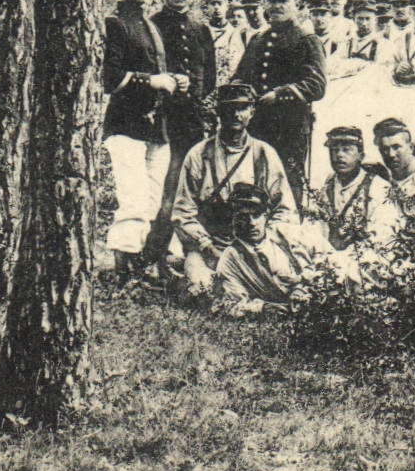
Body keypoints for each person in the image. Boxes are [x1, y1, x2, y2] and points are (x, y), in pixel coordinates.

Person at [169, 84, 294, 294]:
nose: (236, 115)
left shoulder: (263, 154)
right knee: (203, 288)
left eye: (243, 108)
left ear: (252, 112)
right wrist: (206, 245)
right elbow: (182, 213)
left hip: (255, 247)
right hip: (211, 246)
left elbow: (285, 210)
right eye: (229, 108)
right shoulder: (199, 154)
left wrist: (264, 241)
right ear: (218, 112)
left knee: (282, 285)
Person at [103, 0, 182, 280]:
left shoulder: (150, 24)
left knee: (151, 201)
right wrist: (153, 81)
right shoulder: (114, 24)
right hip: (126, 125)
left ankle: (139, 264)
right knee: (132, 199)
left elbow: (156, 71)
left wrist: (174, 81)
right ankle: (123, 268)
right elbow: (110, 78)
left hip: (155, 127)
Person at [231, 0, 326, 205]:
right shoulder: (258, 39)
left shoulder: (306, 39)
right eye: (272, 0)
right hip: (258, 126)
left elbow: (317, 85)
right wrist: (243, 93)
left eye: (283, 0)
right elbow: (239, 78)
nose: (276, 6)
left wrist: (280, 94)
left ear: (296, 3)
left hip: (290, 128)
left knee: (288, 185)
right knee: (255, 182)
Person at [147, 0, 217, 271]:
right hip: (162, 123)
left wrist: (194, 94)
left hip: (192, 124)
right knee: (165, 192)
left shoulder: (201, 30)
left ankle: (190, 256)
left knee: (193, 192)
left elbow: (210, 78)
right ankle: (153, 257)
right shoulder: (152, 26)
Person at [213, 183, 348, 317]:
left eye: (256, 215)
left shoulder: (285, 232)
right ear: (233, 220)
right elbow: (228, 304)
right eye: (243, 217)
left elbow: (327, 253)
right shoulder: (231, 258)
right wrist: (262, 308)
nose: (252, 223)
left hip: (321, 289)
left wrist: (305, 284)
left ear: (265, 215)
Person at [303, 126, 398, 276]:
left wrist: (342, 261)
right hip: (328, 264)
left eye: (346, 149)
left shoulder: (379, 188)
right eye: (334, 150)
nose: (339, 155)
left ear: (361, 155)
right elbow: (312, 233)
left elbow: (383, 238)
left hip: (363, 266)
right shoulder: (325, 191)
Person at [207, 0, 247, 83]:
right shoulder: (201, 32)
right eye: (213, 4)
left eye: (220, 3)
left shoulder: (235, 33)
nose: (216, 7)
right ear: (207, 7)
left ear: (226, 7)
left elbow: (239, 65)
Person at [337, 0, 384, 74]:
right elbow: (335, 64)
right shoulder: (346, 43)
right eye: (360, 19)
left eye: (368, 19)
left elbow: (382, 70)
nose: (364, 23)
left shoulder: (383, 44)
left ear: (375, 20)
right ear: (354, 19)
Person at [308, 0, 346, 71]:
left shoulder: (337, 42)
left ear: (329, 16)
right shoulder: (306, 41)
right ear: (310, 17)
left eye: (323, 15)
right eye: (315, 15)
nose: (319, 19)